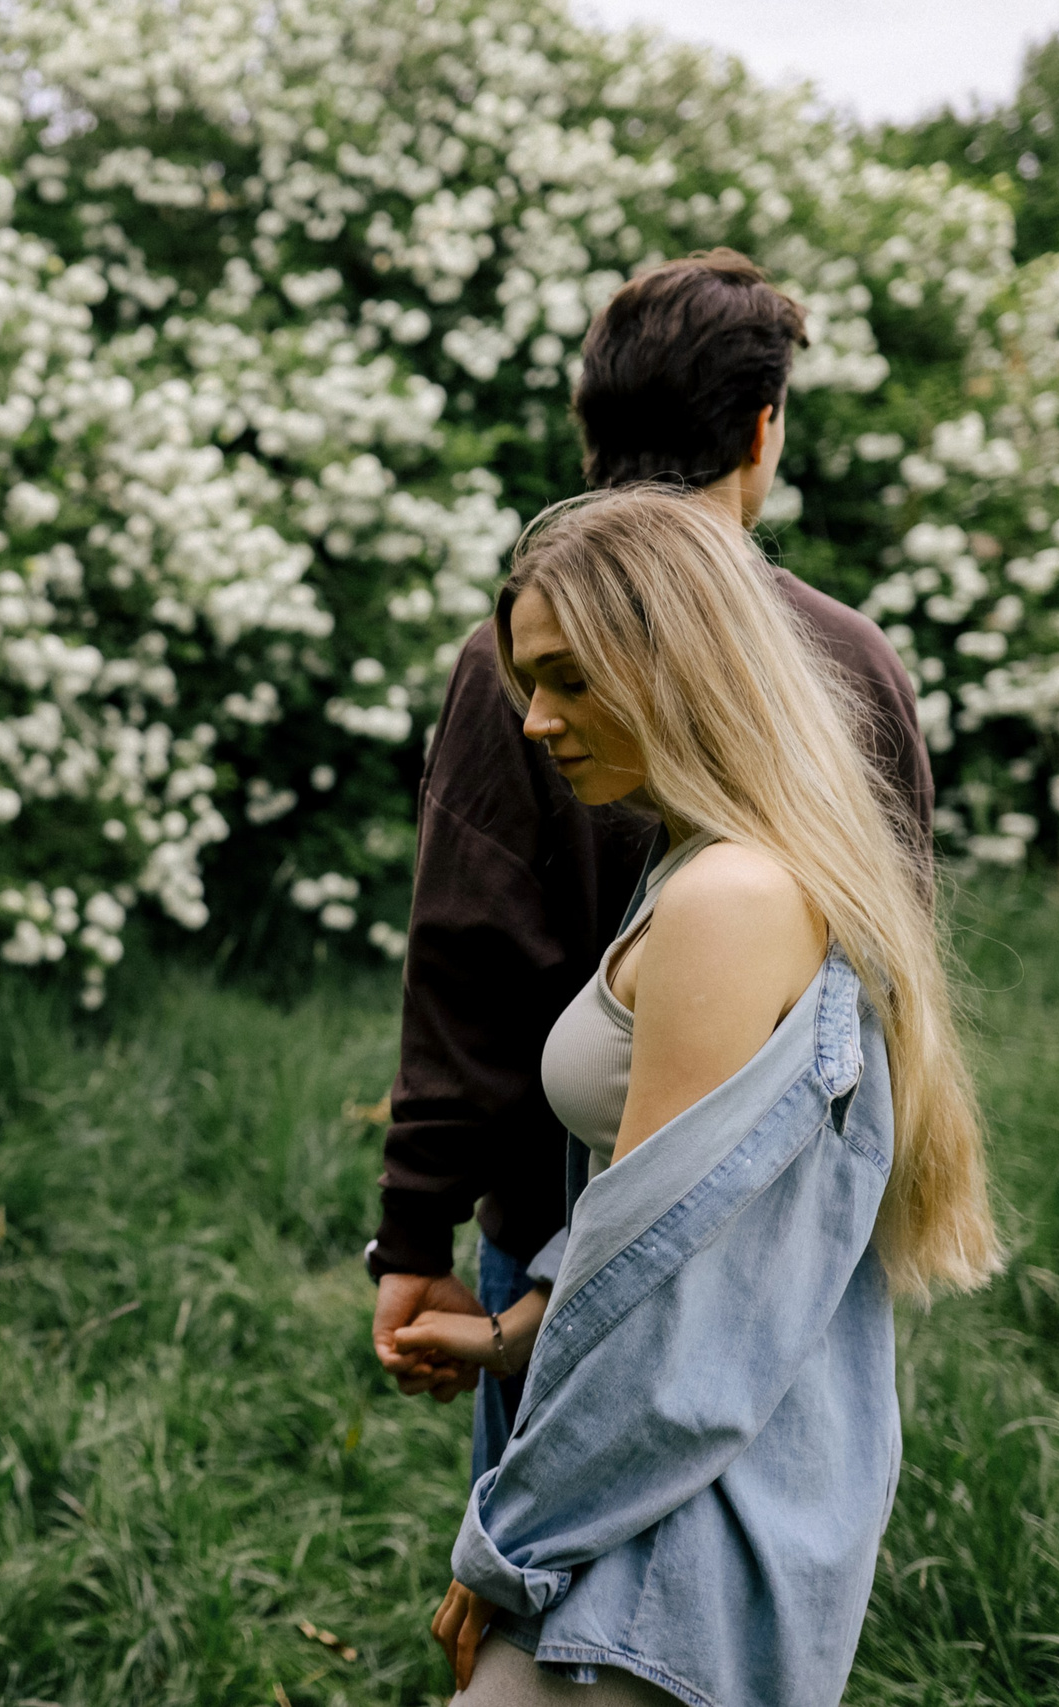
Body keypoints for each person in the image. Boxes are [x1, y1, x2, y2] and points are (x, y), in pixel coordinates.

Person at [403, 487, 1001, 1704]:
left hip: (673, 1520)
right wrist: (512, 1333)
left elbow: (660, 1305)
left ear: (676, 665)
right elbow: (685, 1220)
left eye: (568, 680)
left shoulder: (727, 899)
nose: (532, 721)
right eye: (530, 681)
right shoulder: (723, 861)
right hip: (697, 1471)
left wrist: (506, 1549)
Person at [366, 251, 937, 1484]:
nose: (552, 712)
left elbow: (467, 961)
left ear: (591, 429)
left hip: (568, 1236)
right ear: (759, 427)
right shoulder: (853, 661)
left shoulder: (515, 656)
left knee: (560, 1592)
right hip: (791, 1250)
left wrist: (412, 1229)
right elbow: (892, 991)